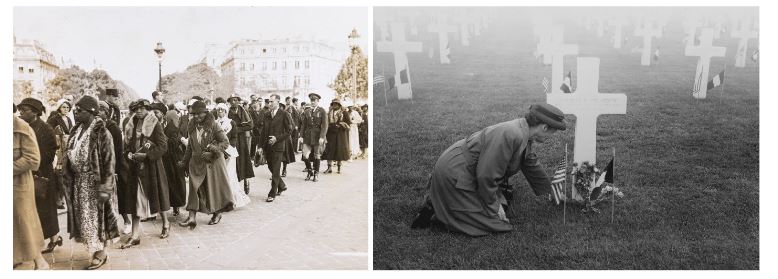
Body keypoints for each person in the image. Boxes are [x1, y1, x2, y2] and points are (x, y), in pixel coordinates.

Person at [410, 103, 567, 237]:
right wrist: (494, 208)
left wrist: (552, 191)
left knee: (505, 198)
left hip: (465, 170)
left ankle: (440, 202)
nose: (551, 137)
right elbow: (487, 175)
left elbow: (530, 163)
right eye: (553, 132)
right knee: (499, 223)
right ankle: (437, 211)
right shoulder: (512, 133)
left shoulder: (524, 132)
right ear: (545, 127)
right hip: (455, 173)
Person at [63, 96, 120, 269]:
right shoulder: (77, 130)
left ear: (91, 112)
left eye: (80, 110)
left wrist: (106, 187)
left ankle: (101, 252)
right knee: (86, 218)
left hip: (95, 183)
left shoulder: (102, 132)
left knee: (98, 218)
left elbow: (109, 161)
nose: (76, 112)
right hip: (79, 182)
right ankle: (95, 249)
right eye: (75, 110)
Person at [121, 99, 171, 247]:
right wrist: (129, 154)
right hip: (136, 168)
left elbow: (163, 146)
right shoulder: (131, 124)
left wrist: (147, 156)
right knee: (135, 199)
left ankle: (166, 224)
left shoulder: (154, 123)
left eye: (142, 109)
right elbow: (129, 145)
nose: (139, 111)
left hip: (152, 168)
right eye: (136, 109)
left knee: (157, 196)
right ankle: (135, 235)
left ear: (147, 109)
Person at [178, 101, 234, 228]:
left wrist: (212, 151)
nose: (197, 116)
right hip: (196, 162)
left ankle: (217, 213)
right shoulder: (191, 125)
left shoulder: (213, 125)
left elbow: (225, 142)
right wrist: (184, 161)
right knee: (193, 189)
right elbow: (190, 147)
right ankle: (191, 217)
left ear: (205, 112)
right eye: (194, 114)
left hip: (212, 163)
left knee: (212, 189)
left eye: (200, 114)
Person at [17, 98, 62, 254]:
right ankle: (39, 240)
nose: (21, 113)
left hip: (44, 174)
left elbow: (51, 152)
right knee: (33, 209)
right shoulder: (23, 127)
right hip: (28, 172)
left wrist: (35, 164)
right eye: (20, 110)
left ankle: (54, 238)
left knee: (47, 208)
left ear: (35, 112)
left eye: (24, 110)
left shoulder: (46, 128)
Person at [13, 104, 50, 270]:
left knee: (25, 224)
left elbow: (33, 160)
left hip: (18, 186)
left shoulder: (22, 128)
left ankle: (38, 262)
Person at [97, 101, 131, 235]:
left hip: (115, 167)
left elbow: (118, 150)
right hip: (100, 167)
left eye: (101, 110)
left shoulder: (113, 128)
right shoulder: (95, 127)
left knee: (120, 197)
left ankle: (127, 221)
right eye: (97, 110)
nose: (98, 113)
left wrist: (114, 170)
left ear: (106, 112)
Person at [215, 103, 251, 208]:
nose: (220, 112)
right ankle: (221, 199)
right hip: (218, 152)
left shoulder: (231, 123)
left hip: (229, 152)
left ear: (226, 111)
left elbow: (234, 137)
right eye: (218, 110)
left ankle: (231, 200)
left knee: (230, 176)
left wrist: (228, 148)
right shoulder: (215, 123)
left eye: (222, 110)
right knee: (220, 176)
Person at [155, 103, 187, 217]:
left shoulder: (171, 126)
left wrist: (164, 140)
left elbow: (174, 141)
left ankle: (176, 206)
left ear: (163, 115)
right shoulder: (153, 125)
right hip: (161, 158)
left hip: (172, 158)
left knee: (175, 182)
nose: (155, 114)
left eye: (157, 112)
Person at [261, 94, 293, 202]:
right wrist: (260, 146)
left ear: (278, 102)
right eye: (269, 102)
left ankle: (272, 193)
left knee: (275, 170)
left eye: (272, 102)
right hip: (267, 146)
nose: (269, 104)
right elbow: (263, 132)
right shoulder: (266, 115)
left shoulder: (284, 114)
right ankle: (282, 185)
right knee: (271, 167)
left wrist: (277, 138)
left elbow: (289, 131)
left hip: (279, 147)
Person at [227, 94, 255, 194]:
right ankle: (235, 185)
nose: (233, 102)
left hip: (241, 139)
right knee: (233, 161)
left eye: (235, 100)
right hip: (231, 140)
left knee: (243, 160)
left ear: (238, 101)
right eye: (231, 100)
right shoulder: (227, 112)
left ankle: (246, 181)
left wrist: (237, 129)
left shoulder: (243, 111)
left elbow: (250, 125)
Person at [299, 93, 328, 182]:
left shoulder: (322, 111)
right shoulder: (307, 111)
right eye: (311, 100)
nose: (313, 102)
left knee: (317, 155)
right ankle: (310, 171)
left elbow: (325, 125)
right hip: (307, 136)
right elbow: (303, 125)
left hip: (317, 136)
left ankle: (316, 174)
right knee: (305, 155)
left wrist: (322, 137)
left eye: (314, 100)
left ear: (318, 101)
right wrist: (301, 136)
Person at [321, 99, 350, 174]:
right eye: (333, 104)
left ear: (339, 105)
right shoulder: (329, 113)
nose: (335, 105)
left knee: (339, 150)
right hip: (330, 133)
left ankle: (339, 168)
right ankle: (329, 167)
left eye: (336, 104)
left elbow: (348, 123)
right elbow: (326, 123)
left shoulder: (344, 113)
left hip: (340, 134)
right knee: (329, 150)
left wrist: (340, 124)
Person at [279, 103, 296, 177]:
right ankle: (276, 172)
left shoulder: (287, 115)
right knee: (277, 156)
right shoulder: (274, 115)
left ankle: (284, 170)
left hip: (285, 138)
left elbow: (292, 126)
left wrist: (286, 133)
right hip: (277, 138)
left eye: (281, 108)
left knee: (285, 155)